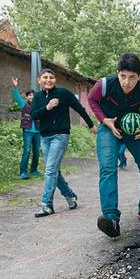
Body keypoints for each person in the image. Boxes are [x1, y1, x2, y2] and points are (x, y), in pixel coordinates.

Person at [87, 53, 140, 238]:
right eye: (123, 76)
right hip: (109, 128)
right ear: (117, 73)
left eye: (132, 77)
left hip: (133, 130)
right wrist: (104, 120)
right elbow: (92, 100)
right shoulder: (104, 84)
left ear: (138, 76)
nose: (127, 82)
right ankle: (111, 219)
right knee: (108, 169)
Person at [30, 68, 96, 217]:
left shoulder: (64, 93)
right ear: (39, 81)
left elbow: (80, 108)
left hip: (60, 136)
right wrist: (47, 107)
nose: (48, 80)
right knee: (53, 171)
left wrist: (91, 125)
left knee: (50, 170)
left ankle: (47, 205)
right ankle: (70, 195)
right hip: (45, 138)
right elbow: (33, 115)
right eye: (45, 77)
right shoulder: (38, 97)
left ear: (55, 80)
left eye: (51, 77)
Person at [11, 77, 41, 179]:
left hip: (37, 131)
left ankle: (34, 170)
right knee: (27, 150)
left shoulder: (38, 106)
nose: (32, 97)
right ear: (27, 97)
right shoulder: (23, 104)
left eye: (33, 95)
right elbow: (16, 97)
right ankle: (23, 172)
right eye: (29, 95)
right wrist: (15, 86)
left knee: (36, 152)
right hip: (27, 131)